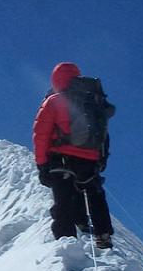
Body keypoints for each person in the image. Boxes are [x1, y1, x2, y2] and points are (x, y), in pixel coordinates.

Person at [33, 62, 115, 249]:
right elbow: (104, 136)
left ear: (56, 79)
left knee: (63, 199)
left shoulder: (54, 101)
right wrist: (101, 160)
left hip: (60, 159)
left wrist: (42, 164)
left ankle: (66, 243)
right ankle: (102, 234)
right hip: (90, 160)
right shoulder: (94, 102)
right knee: (94, 194)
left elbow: (41, 134)